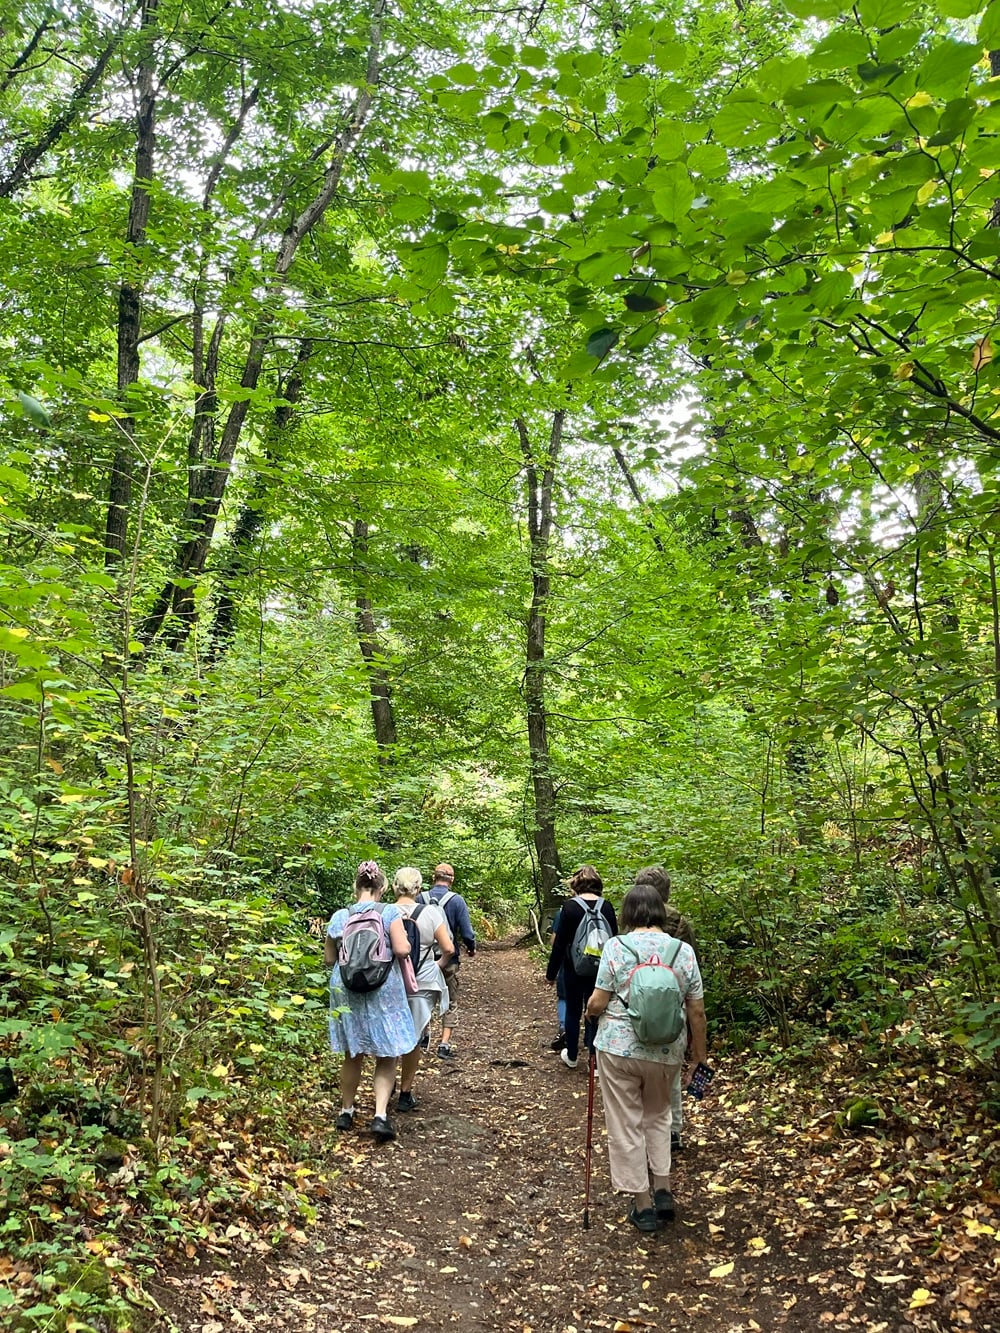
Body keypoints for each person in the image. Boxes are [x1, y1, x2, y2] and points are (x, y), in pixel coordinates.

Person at [585, 882, 706, 1233]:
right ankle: (664, 1189)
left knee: (626, 1123)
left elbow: (598, 1000)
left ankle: (642, 1204)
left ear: (627, 913)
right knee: (658, 1115)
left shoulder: (615, 947)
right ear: (659, 912)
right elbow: (696, 1010)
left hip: (620, 1048)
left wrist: (590, 1015)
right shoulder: (681, 951)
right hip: (667, 1051)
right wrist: (699, 1056)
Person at [325, 860, 416, 1142]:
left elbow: (330, 959)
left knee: (353, 1053)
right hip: (382, 987)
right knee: (386, 1054)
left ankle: (346, 1111)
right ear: (383, 887)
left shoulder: (340, 915)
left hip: (347, 987)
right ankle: (379, 1116)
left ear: (356, 886)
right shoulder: (389, 912)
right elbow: (401, 949)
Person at [633, 865, 700, 1153]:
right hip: (675, 1012)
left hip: (638, 1012)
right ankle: (673, 1130)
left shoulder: (632, 926)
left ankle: (644, 1130)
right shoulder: (682, 924)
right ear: (667, 890)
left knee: (639, 1075)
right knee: (670, 1074)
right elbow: (694, 972)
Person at [392, 866, 455, 1110]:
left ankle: (386, 1083)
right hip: (424, 982)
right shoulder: (430, 913)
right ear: (418, 888)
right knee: (414, 1036)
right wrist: (435, 964)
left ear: (395, 887)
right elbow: (448, 948)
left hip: (394, 979)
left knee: (391, 1032)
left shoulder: (386, 912)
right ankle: (405, 1093)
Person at [546, 866, 618, 1070]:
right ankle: (594, 1061)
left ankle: (572, 1055)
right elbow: (614, 940)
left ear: (575, 884)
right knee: (595, 1010)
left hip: (573, 968)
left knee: (573, 1010)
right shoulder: (607, 907)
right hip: (601, 970)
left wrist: (551, 974)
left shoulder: (570, 907)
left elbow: (559, 945)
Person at [418, 862, 476, 1058]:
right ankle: (443, 1044)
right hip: (449, 958)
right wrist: (471, 947)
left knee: (423, 997)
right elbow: (467, 932)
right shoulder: (457, 901)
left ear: (434, 877)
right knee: (450, 999)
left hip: (422, 959)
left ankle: (423, 1035)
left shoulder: (420, 898)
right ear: (452, 879)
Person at [549, 904, 568, 1051]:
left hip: (568, 962)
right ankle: (590, 1039)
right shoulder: (603, 908)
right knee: (589, 999)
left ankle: (564, 1028)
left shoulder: (563, 912)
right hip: (596, 964)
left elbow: (555, 942)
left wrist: (551, 973)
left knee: (564, 997)